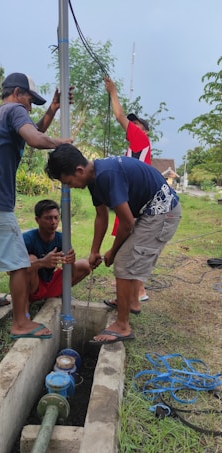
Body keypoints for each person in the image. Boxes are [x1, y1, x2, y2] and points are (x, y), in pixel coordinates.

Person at [0, 72, 73, 340]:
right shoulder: (15, 109)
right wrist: (61, 143)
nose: (29, 107)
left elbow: (33, 130)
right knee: (17, 263)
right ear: (16, 92)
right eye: (29, 100)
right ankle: (20, 322)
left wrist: (52, 109)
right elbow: (35, 139)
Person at [45, 144, 181, 345]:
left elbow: (127, 223)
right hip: (150, 211)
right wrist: (94, 251)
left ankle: (122, 326)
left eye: (69, 181)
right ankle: (131, 302)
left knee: (124, 262)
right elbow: (101, 216)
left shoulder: (107, 176)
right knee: (128, 258)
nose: (70, 186)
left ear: (79, 171)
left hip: (163, 213)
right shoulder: (94, 178)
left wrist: (112, 252)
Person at [104, 76, 151, 308]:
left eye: (136, 124)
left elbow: (119, 116)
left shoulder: (141, 140)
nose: (130, 126)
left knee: (124, 253)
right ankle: (134, 295)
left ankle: (131, 297)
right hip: (132, 201)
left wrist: (113, 92)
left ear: (143, 130)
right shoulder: (132, 148)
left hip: (133, 203)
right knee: (129, 250)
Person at [23, 199, 91, 308]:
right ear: (37, 220)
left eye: (56, 217)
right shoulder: (28, 239)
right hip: (34, 287)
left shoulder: (62, 238)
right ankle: (29, 300)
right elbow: (12, 271)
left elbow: (72, 275)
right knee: (31, 259)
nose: (53, 222)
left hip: (50, 283)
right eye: (48, 218)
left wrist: (71, 262)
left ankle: (58, 294)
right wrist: (42, 262)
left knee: (85, 265)